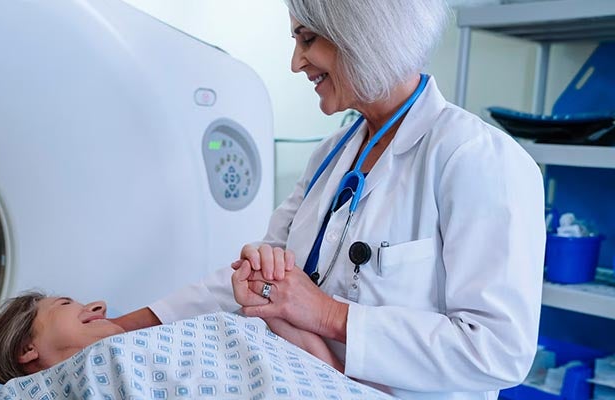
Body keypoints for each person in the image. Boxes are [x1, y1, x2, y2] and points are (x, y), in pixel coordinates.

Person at [113, 0, 546, 398]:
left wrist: (327, 314)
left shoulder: (477, 158)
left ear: (364, 33)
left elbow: (498, 350)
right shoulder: (330, 155)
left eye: (307, 39)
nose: (296, 62)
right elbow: (262, 277)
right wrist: (117, 329)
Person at [0, 291, 343, 384]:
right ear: (26, 348)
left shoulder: (162, 342)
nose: (99, 305)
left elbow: (325, 379)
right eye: (66, 303)